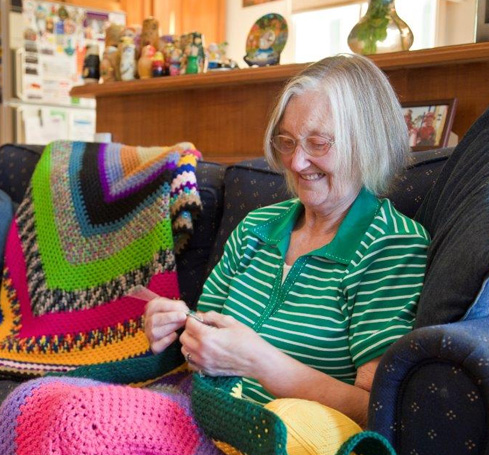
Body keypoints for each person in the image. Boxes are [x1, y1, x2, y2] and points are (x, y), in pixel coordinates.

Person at [146, 53, 430, 428]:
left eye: (318, 143)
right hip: (198, 413)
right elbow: (205, 336)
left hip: (277, 445)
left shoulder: (390, 246)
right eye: (288, 141)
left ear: (368, 143)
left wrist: (259, 362)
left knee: (71, 422)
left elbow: (375, 409)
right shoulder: (255, 228)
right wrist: (176, 325)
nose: (296, 163)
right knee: (55, 402)